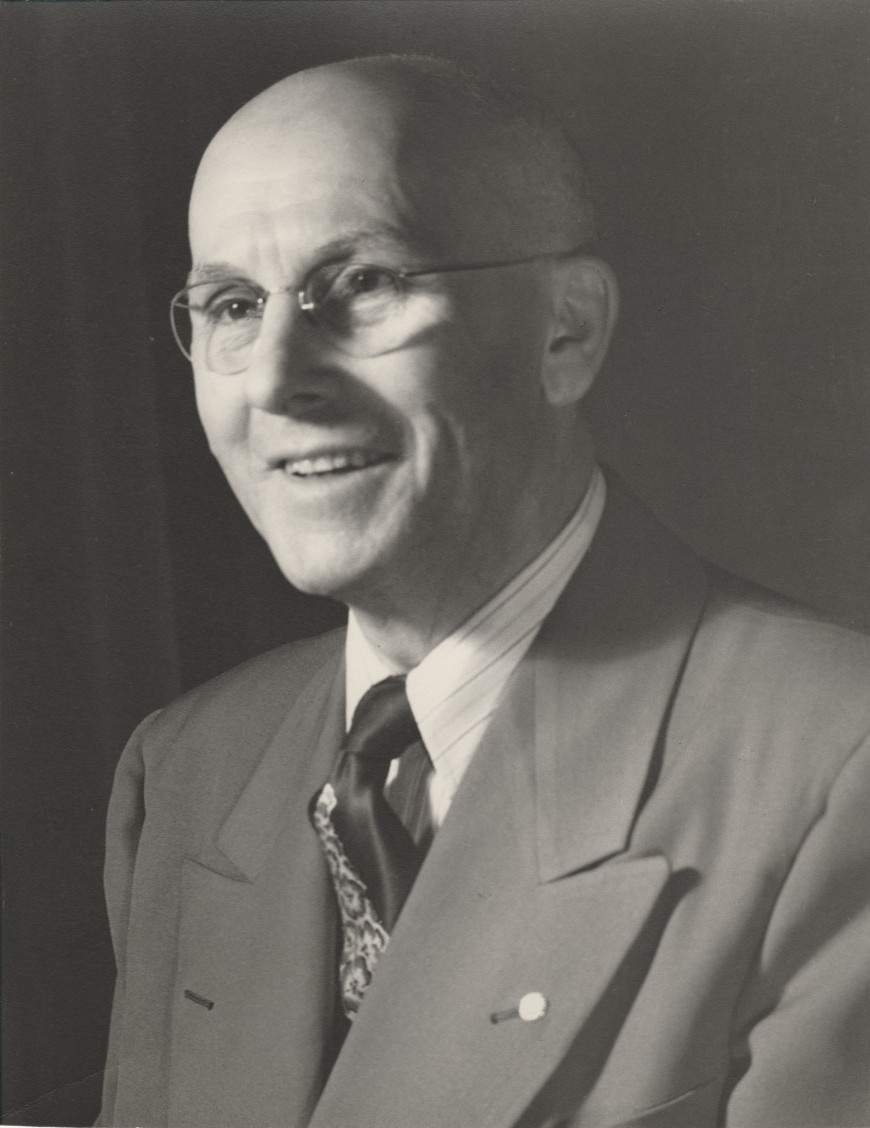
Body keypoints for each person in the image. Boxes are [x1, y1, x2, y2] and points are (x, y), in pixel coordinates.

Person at [98, 54, 870, 1128]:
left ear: (569, 330)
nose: (275, 381)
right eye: (232, 304)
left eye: (362, 284)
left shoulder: (838, 762)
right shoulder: (185, 769)